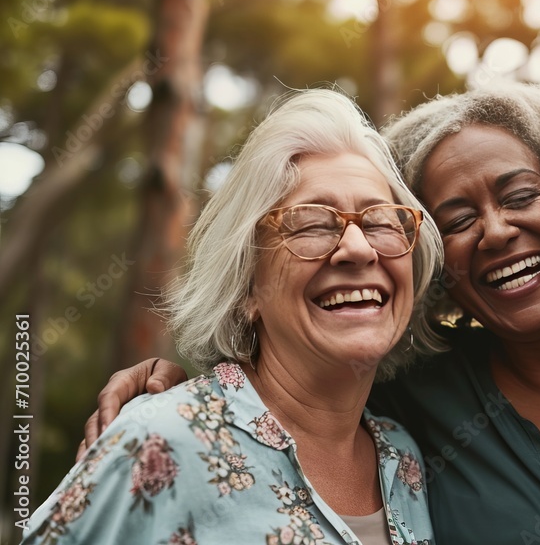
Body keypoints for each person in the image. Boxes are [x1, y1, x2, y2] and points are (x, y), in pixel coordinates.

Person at [77, 83, 540, 543]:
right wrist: (169, 389)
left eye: (521, 195)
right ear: (434, 267)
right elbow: (282, 387)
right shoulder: (409, 402)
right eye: (457, 220)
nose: (495, 231)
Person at [22, 89, 439, 544]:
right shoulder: (159, 439)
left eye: (379, 220)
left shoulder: (404, 455)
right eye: (313, 223)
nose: (358, 248)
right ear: (246, 288)